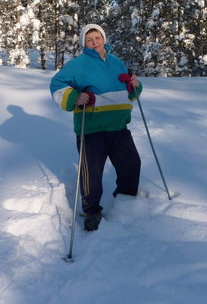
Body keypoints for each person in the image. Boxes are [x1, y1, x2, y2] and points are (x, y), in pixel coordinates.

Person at [50, 23, 142, 232]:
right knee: (91, 173)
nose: (94, 42)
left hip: (118, 127)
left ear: (104, 39)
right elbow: (57, 85)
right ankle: (91, 211)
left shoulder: (116, 63)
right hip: (90, 128)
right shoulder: (79, 64)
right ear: (84, 43)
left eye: (97, 38)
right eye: (89, 39)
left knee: (131, 163)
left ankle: (125, 202)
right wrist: (75, 96)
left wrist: (135, 86)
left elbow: (129, 92)